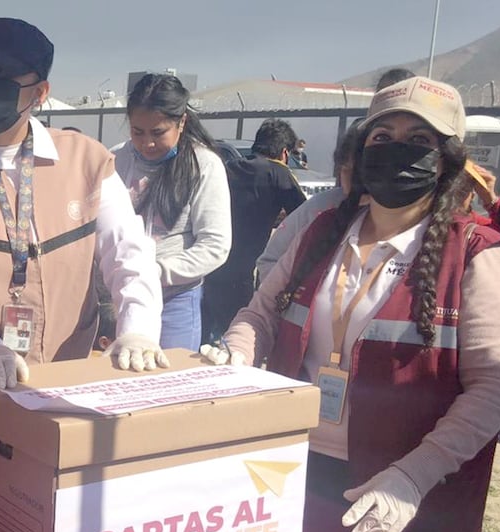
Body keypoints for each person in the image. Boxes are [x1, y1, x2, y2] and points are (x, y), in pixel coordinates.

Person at [203, 76, 500, 532]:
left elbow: (495, 387)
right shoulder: (322, 231)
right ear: (361, 151)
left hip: (402, 496)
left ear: (446, 158)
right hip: (293, 469)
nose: (398, 151)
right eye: (382, 138)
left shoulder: (476, 253)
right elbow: (258, 315)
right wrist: (236, 350)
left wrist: (413, 477)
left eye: (419, 141)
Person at [0, 18, 165, 474]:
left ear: (40, 93)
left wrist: (137, 328)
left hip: (60, 396)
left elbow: (128, 253)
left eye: (0, 76)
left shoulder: (87, 161)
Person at [113, 73, 230, 350]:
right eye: (137, 132)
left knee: (167, 384)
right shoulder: (116, 160)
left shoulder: (204, 165)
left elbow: (215, 245)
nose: (147, 143)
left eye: (158, 133)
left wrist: (156, 271)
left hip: (174, 302)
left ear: (181, 123)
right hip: (118, 297)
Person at [201, 118, 306, 343]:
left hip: (208, 266)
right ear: (285, 153)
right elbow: (304, 216)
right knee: (236, 338)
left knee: (203, 339)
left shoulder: (228, 167)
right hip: (241, 273)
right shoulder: (279, 172)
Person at [256, 121, 362, 281]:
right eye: (346, 170)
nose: (355, 182)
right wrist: (299, 298)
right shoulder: (320, 209)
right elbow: (270, 260)